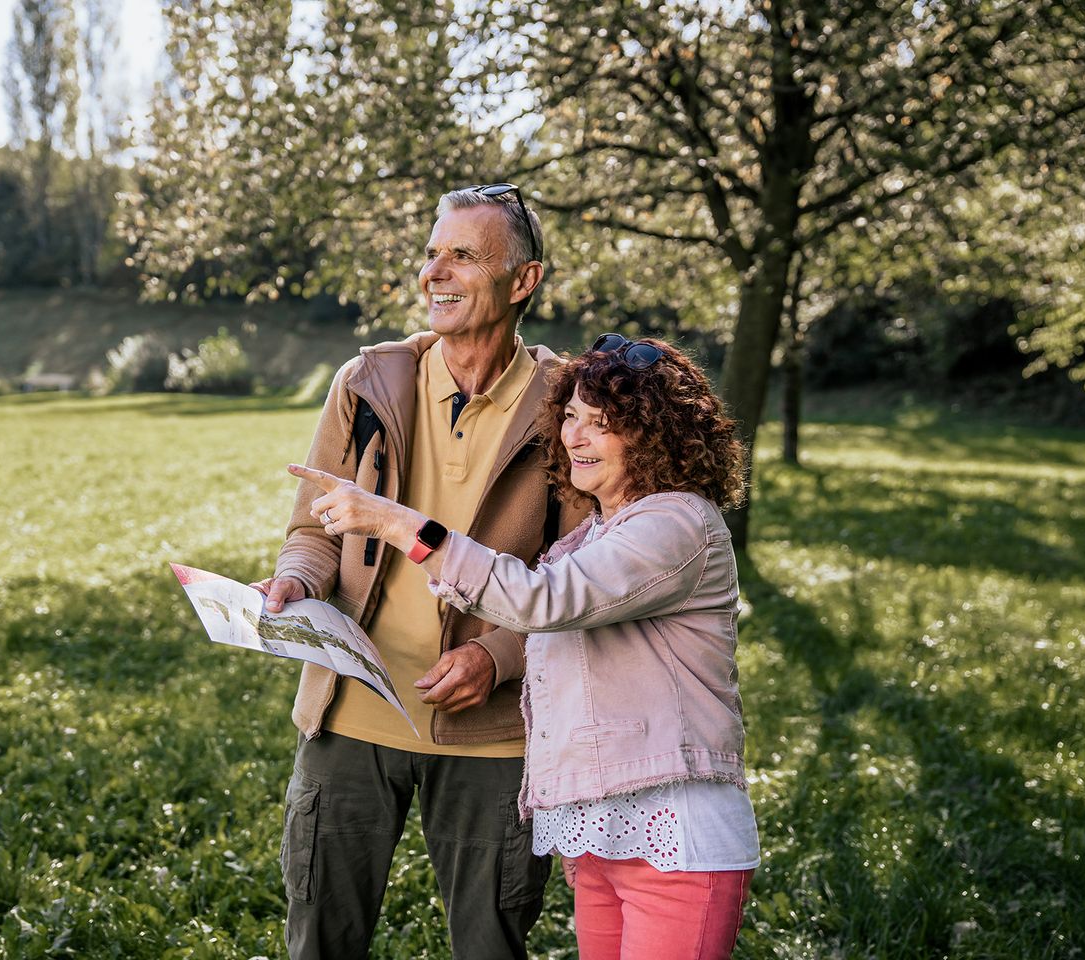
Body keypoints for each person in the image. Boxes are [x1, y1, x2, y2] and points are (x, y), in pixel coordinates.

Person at [295, 334, 760, 960]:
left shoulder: (675, 525)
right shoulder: (597, 532)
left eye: (604, 424)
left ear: (654, 435)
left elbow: (540, 601)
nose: (576, 438)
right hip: (599, 829)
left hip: (674, 828)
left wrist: (396, 521)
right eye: (570, 417)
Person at [252, 184, 588, 960]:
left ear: (523, 281)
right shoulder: (366, 384)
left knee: (489, 945)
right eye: (432, 251)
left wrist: (497, 657)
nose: (435, 271)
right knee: (320, 939)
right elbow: (313, 529)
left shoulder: (567, 403)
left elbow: (581, 578)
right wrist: (296, 583)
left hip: (495, 733)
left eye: (462, 255)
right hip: (353, 714)